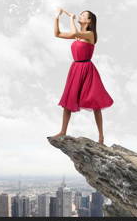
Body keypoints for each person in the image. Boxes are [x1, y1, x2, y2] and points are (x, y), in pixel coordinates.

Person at [47, 8, 114, 145]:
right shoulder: (79, 35)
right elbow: (57, 33)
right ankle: (63, 131)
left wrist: (71, 19)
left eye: (84, 15)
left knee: (95, 103)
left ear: (89, 20)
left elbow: (75, 32)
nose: (80, 15)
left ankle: (101, 137)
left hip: (87, 69)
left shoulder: (90, 34)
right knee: (68, 100)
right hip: (75, 69)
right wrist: (56, 17)